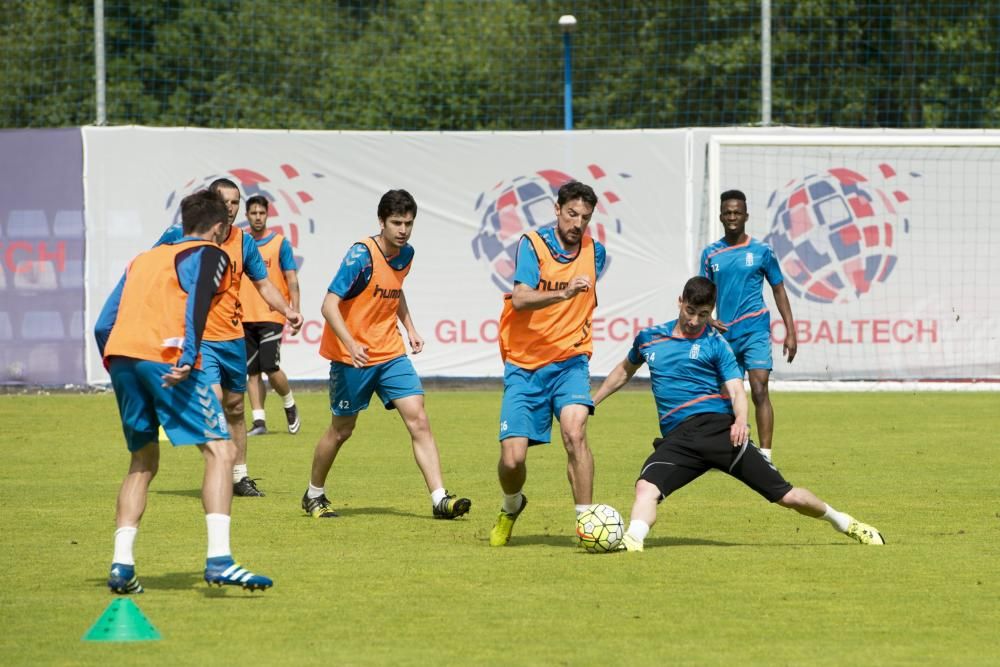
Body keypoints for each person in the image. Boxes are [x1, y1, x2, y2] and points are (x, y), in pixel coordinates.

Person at [592, 276, 884, 552]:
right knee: (646, 487)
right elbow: (623, 371)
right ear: (679, 301)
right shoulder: (649, 338)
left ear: (712, 312)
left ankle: (845, 523)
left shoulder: (716, 344)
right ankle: (633, 540)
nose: (694, 321)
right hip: (679, 438)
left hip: (720, 431)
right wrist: (594, 400)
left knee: (787, 496)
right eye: (690, 311)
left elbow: (735, 390)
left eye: (703, 314)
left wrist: (741, 422)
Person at [95, 190, 275, 594]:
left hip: (123, 358)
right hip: (169, 359)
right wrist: (188, 355)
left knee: (142, 462)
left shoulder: (143, 258)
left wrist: (115, 364)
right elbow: (197, 303)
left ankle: (122, 565)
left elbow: (103, 323)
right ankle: (220, 560)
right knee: (221, 450)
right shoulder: (211, 252)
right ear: (218, 227)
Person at [302, 189, 471, 520]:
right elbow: (328, 305)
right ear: (381, 221)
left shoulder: (406, 254)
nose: (403, 230)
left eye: (409, 223)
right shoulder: (360, 256)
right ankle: (313, 494)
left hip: (390, 352)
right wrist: (351, 343)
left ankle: (439, 499)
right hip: (353, 357)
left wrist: (410, 328)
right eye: (396, 222)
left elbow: (395, 290)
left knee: (418, 418)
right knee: (341, 430)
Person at [157, 178, 303, 497]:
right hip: (201, 338)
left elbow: (263, 285)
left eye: (235, 202)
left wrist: (288, 310)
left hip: (233, 337)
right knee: (215, 399)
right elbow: (153, 267)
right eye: (225, 201)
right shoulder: (182, 235)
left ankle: (239, 476)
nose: (230, 207)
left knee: (236, 408)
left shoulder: (244, 242)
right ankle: (218, 469)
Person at [489, 180, 606, 546]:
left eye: (585, 217)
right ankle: (512, 504)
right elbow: (521, 299)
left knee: (575, 433)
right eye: (572, 214)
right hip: (524, 366)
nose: (578, 223)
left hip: (570, 361)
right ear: (556, 210)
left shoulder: (595, 252)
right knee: (512, 460)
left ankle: (586, 524)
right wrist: (564, 292)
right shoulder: (532, 244)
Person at [700, 189, 797, 462]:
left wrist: (791, 331)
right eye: (728, 212)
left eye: (737, 212)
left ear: (746, 216)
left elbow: (778, 289)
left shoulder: (762, 250)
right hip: (726, 334)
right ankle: (724, 452)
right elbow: (701, 292)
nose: (732, 217)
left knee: (759, 388)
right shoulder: (710, 254)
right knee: (725, 397)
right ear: (721, 216)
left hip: (755, 329)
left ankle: (765, 455)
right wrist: (708, 318)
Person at [239, 195, 302, 437]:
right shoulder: (241, 242)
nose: (257, 217)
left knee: (270, 366)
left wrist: (294, 310)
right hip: (245, 315)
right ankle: (259, 422)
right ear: (247, 215)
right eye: (253, 213)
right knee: (251, 371)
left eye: (261, 213)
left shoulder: (279, 243)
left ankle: (289, 403)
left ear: (267, 215)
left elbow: (292, 280)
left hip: (271, 314)